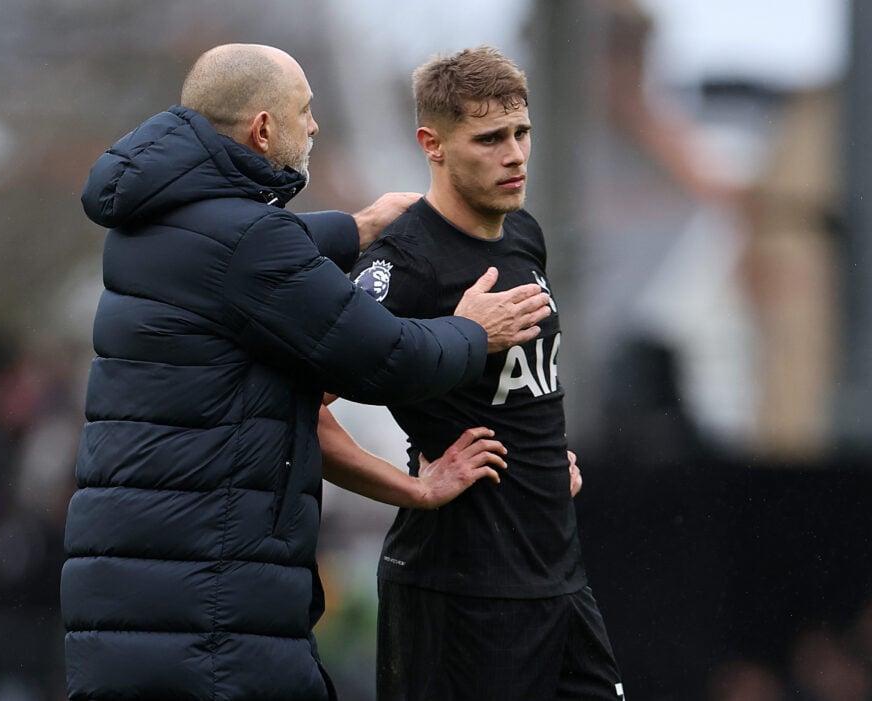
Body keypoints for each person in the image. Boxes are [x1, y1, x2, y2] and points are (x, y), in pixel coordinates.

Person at [61, 43, 554, 701]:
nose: (315, 125)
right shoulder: (248, 244)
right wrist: (472, 331)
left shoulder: (148, 224)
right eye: (305, 110)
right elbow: (387, 358)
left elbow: (239, 254)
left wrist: (356, 227)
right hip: (210, 612)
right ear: (263, 129)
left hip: (133, 602)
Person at [332, 45, 625, 699]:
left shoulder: (523, 233)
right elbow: (303, 401)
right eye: (490, 138)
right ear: (431, 144)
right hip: (458, 593)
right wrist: (410, 488)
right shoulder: (404, 262)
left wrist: (545, 456)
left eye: (521, 133)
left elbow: (520, 386)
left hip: (558, 580)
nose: (515, 154)